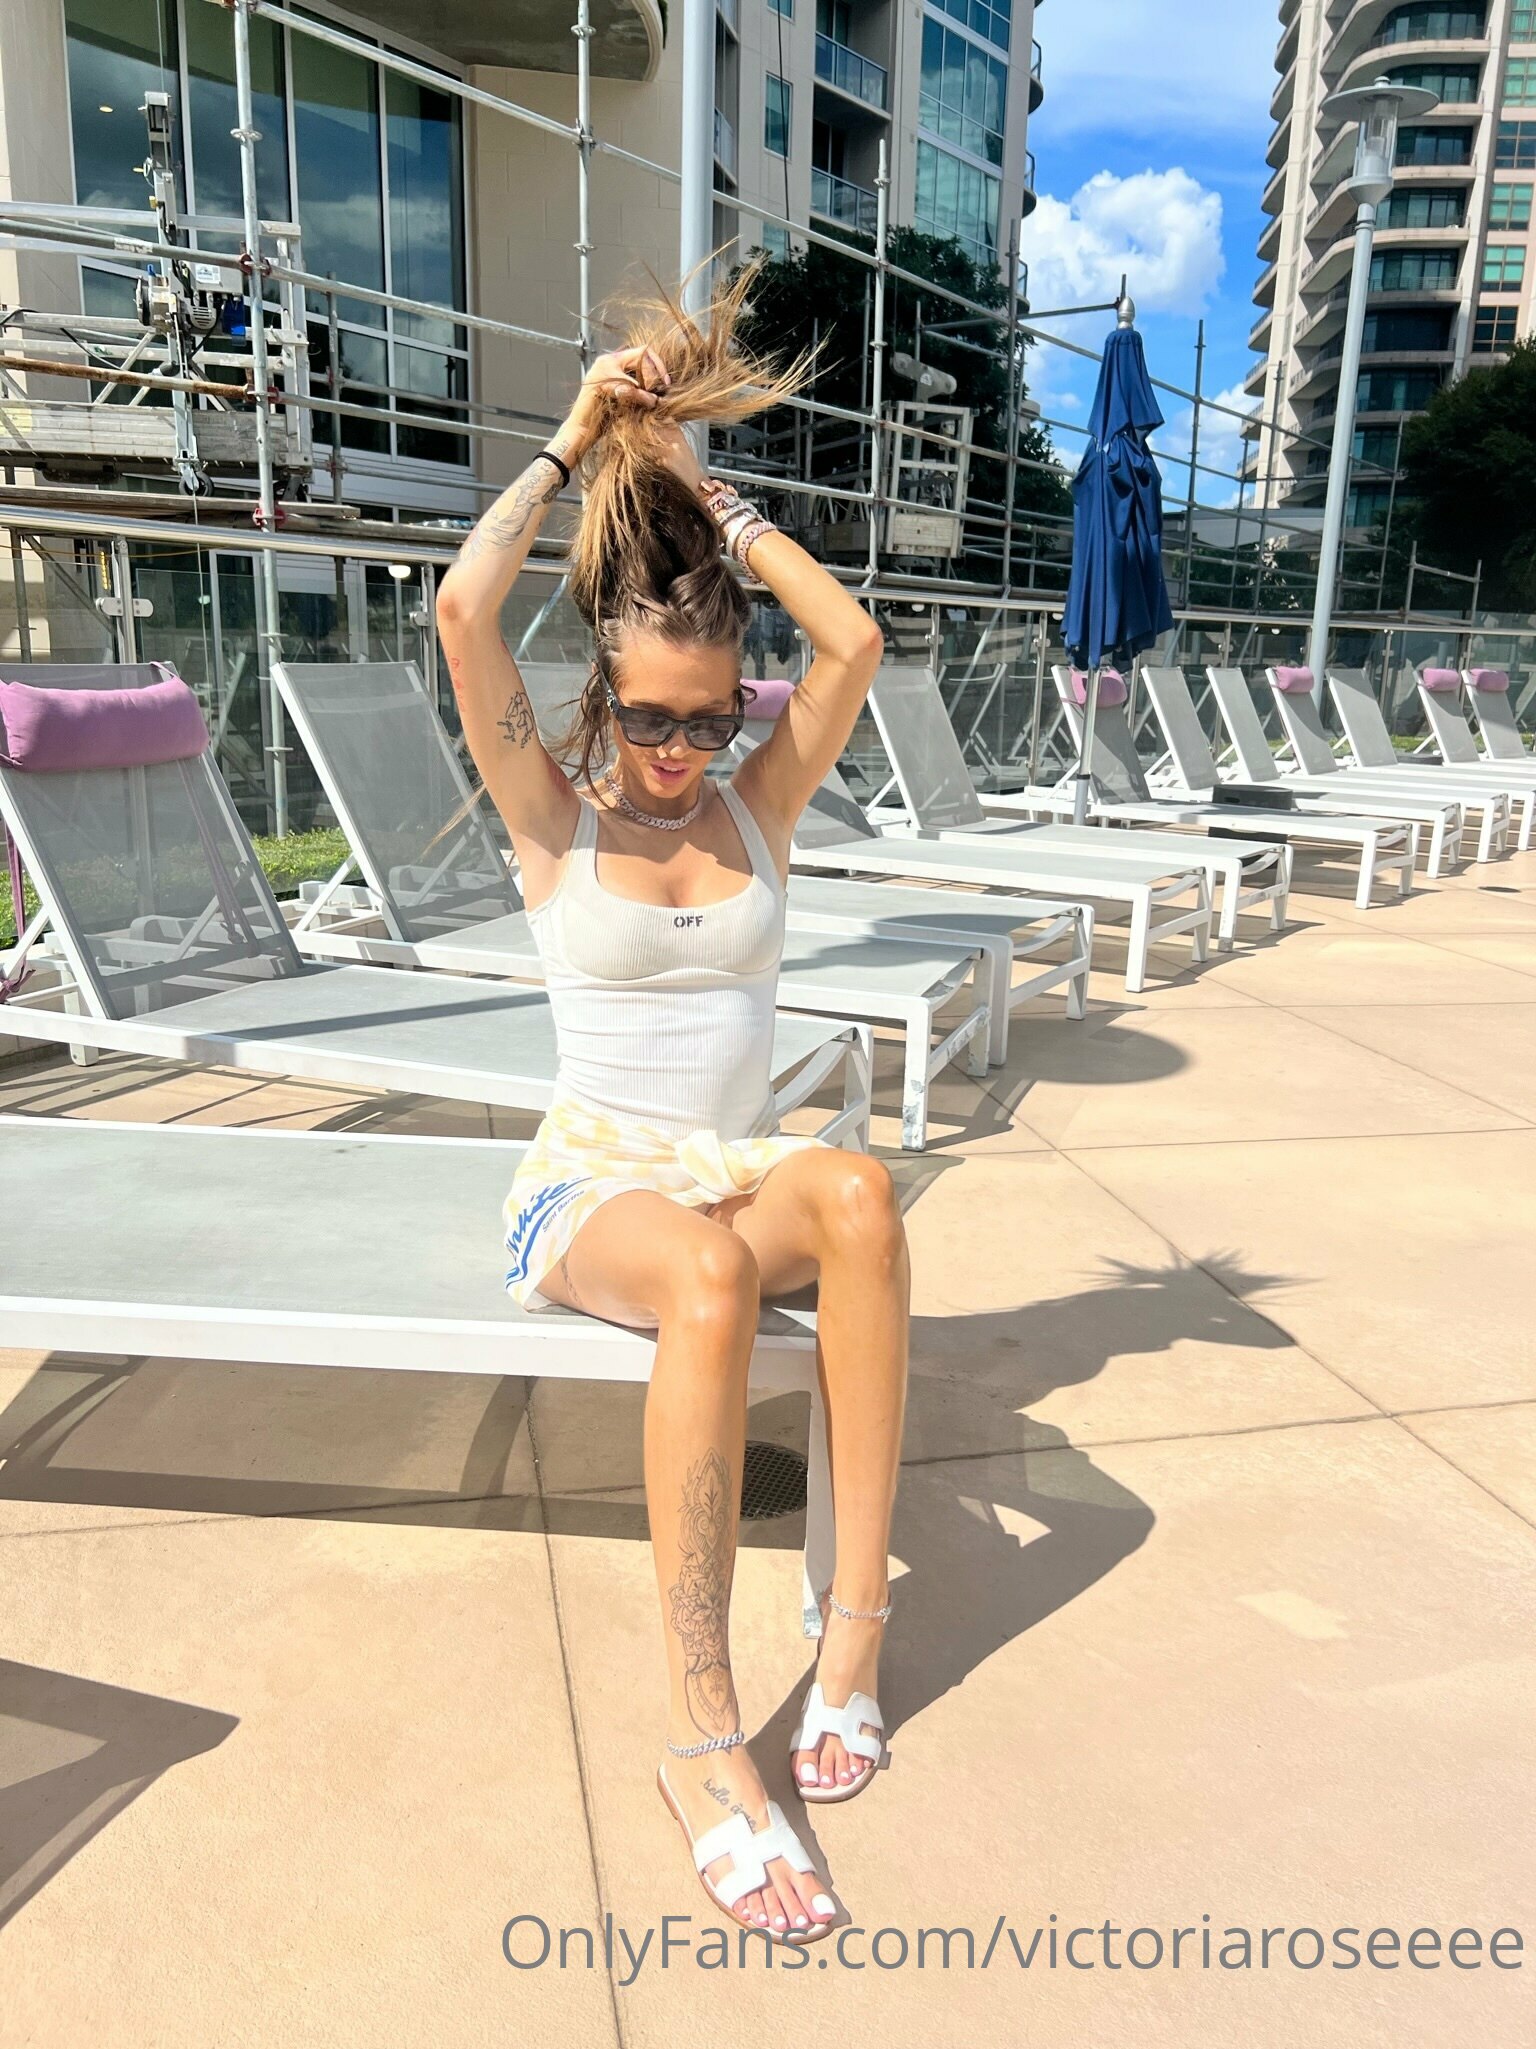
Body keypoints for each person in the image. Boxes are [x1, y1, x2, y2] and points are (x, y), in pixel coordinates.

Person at [435, 267, 910, 1947]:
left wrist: (720, 503)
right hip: (598, 1188)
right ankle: (706, 1732)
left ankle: (850, 1636)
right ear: (603, 687)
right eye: (648, 714)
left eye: (710, 718)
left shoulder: (759, 799)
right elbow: (463, 611)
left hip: (729, 1163)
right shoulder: (552, 815)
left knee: (859, 1190)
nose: (679, 748)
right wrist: (579, 431)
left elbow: (851, 642)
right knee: (708, 1276)